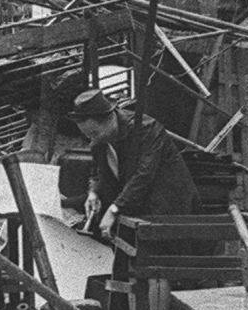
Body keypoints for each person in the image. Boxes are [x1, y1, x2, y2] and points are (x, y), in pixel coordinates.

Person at [73, 88, 196, 237]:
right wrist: (93, 192)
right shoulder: (99, 142)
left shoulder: (145, 129)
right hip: (136, 206)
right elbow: (98, 172)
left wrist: (115, 209)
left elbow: (144, 174)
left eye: (94, 133)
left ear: (110, 119)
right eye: (88, 136)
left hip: (170, 210)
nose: (93, 140)